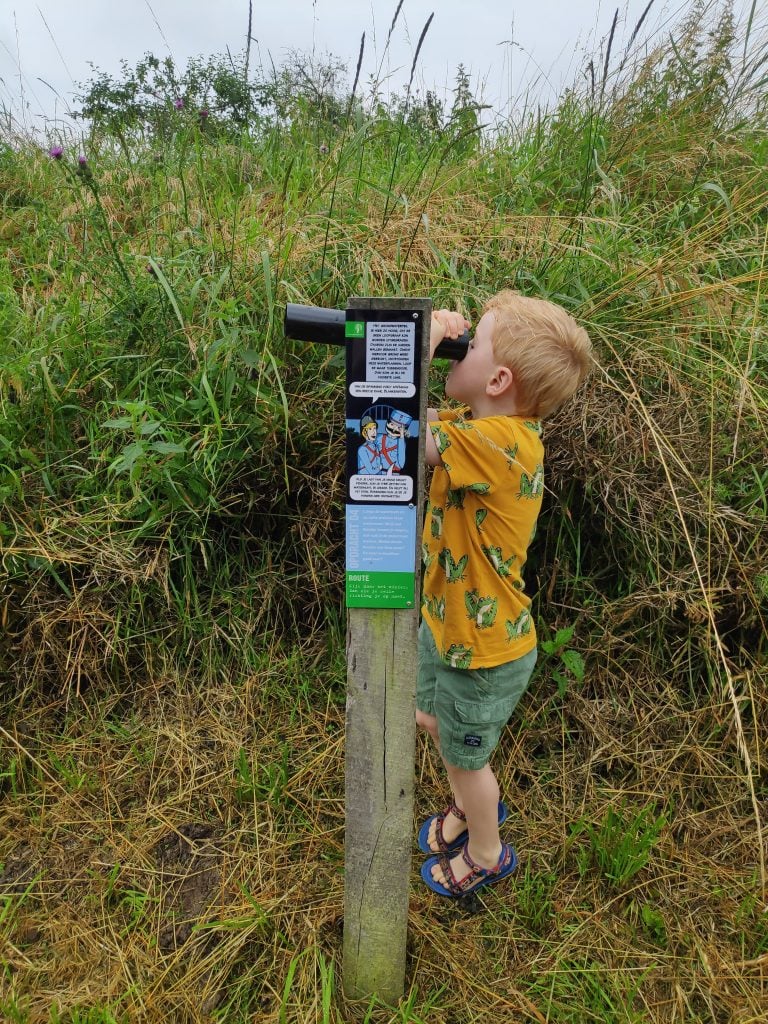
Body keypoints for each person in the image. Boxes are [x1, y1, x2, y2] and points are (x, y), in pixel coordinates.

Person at [417, 290, 592, 898]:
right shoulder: (483, 430)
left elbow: (407, 436)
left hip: (485, 649)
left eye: (472, 341)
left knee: (468, 759)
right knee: (429, 718)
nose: (453, 353)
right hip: (450, 624)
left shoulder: (505, 443)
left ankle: (487, 851)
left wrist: (420, 343)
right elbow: (417, 426)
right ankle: (469, 805)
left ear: (496, 378)